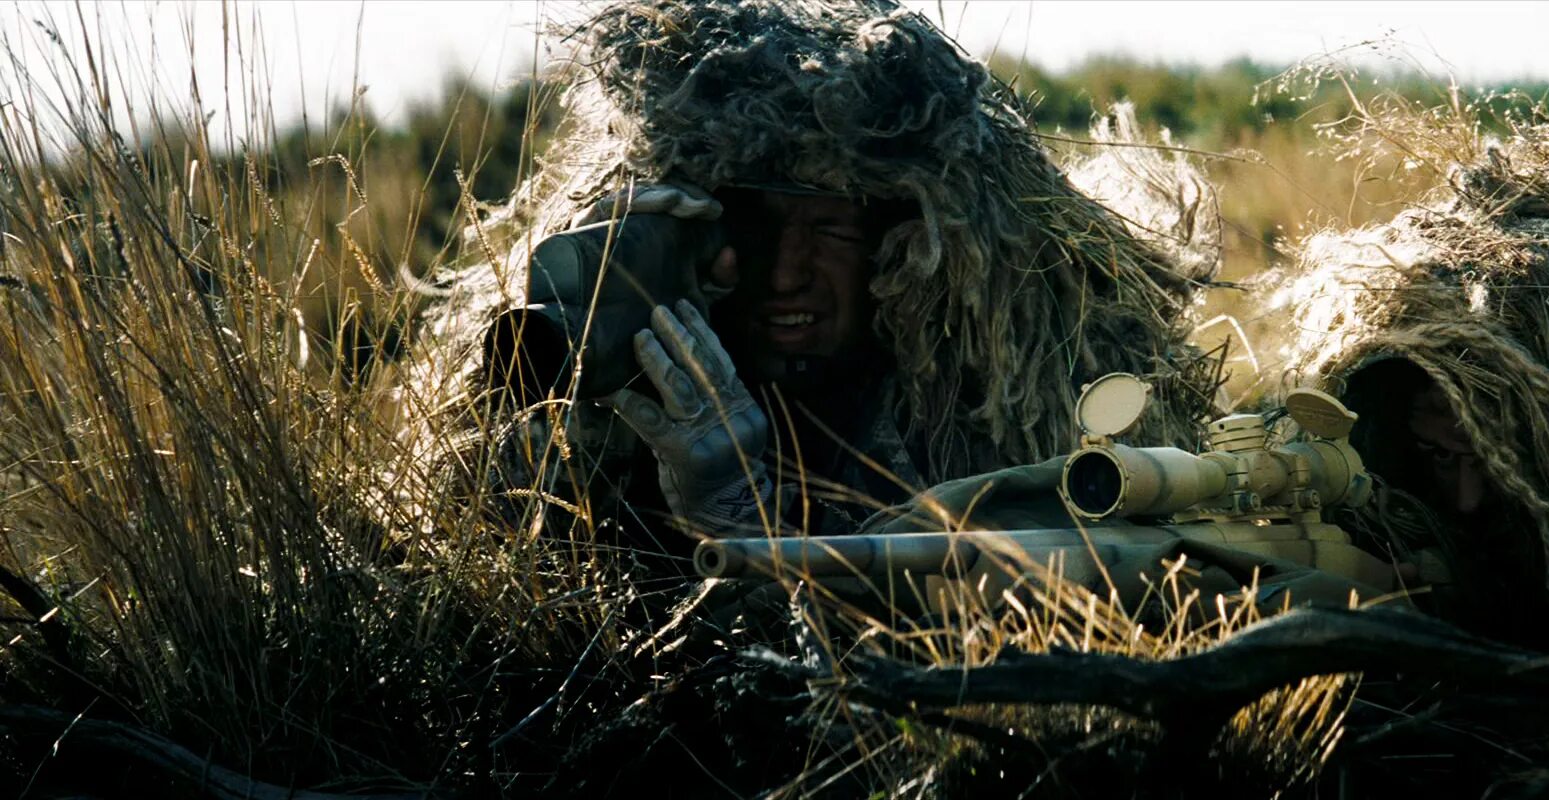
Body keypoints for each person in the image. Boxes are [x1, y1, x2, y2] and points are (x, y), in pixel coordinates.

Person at [423, 0, 1224, 570]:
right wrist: (607, 312)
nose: (783, 272)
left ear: (907, 246)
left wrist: (736, 517)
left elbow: (933, 654)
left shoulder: (975, 415)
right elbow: (488, 566)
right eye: (752, 227)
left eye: (830, 231)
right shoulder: (637, 363)